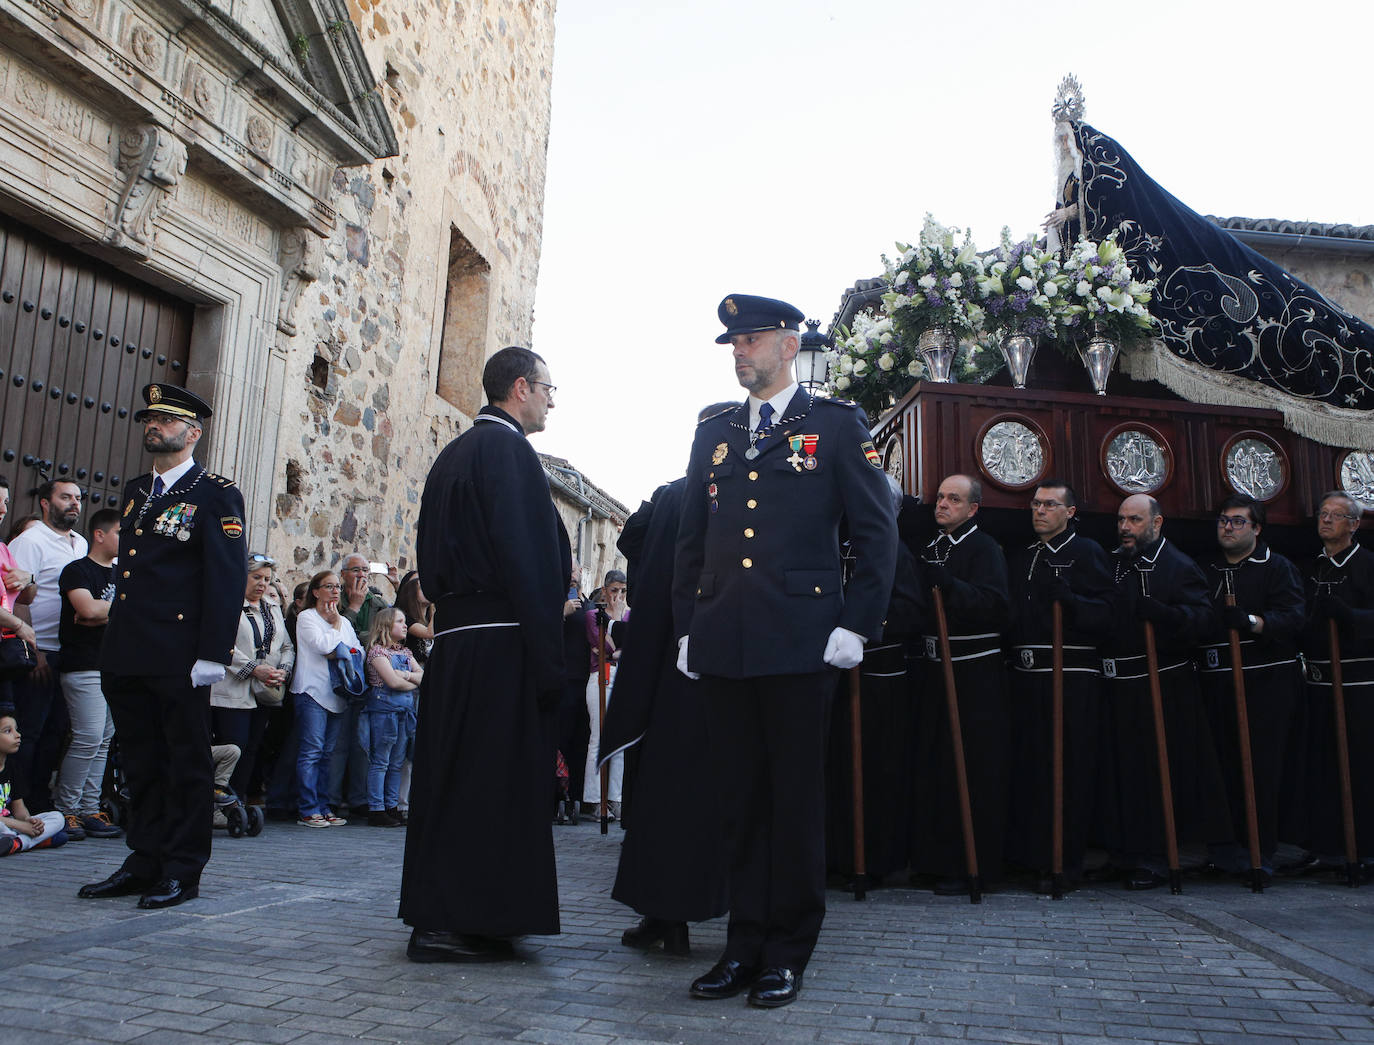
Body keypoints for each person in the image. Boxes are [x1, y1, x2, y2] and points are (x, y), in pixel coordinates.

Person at [673, 294, 896, 1007]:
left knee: (794, 804)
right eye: (734, 342)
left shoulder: (834, 425)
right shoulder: (714, 431)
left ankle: (787, 951)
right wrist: (686, 626)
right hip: (724, 641)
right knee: (739, 803)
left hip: (802, 643)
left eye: (752, 339)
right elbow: (690, 539)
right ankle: (743, 946)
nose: (740, 351)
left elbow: (877, 530)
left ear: (789, 346)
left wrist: (857, 623)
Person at [400, 345, 569, 962]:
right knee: (489, 783)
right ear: (521, 388)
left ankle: (457, 916)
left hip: (458, 645)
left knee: (455, 778)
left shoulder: (453, 454)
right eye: (548, 389)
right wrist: (548, 663)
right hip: (502, 646)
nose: (552, 402)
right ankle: (456, 922)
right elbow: (531, 564)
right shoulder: (510, 453)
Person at [79, 383, 248, 910]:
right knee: (141, 761)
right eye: (149, 419)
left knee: (185, 763)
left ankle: (181, 868)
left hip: (178, 653)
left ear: (193, 433)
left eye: (166, 420)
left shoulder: (215, 494)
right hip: (129, 649)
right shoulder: (137, 490)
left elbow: (226, 578)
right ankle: (144, 858)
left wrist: (213, 654)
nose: (153, 426)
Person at [600, 404, 739, 957]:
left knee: (664, 793)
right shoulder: (716, 494)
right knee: (696, 794)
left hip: (672, 666)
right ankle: (673, 916)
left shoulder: (672, 496)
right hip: (716, 667)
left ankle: (664, 915)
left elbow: (637, 562)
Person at [1092, 494, 1230, 890]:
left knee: (1153, 772)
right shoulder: (1113, 562)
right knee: (1116, 771)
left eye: (1134, 520)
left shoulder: (1178, 565)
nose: (1125, 528)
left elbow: (1204, 620)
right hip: (1115, 683)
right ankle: (1121, 852)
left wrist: (1168, 615)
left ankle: (1155, 857)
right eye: (1121, 520)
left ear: (1157, 523)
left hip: (1160, 684)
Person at [1003, 480, 1114, 890]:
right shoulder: (1023, 557)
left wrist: (1072, 602)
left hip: (1070, 677)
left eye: (1050, 505)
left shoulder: (1087, 552)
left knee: (1067, 769)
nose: (1040, 511)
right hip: (1026, 676)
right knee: (1030, 768)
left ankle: (1064, 863)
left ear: (1070, 513)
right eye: (1035, 504)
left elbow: (1108, 612)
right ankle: (1031, 857)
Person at [909, 474, 1012, 894]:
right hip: (933, 670)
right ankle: (934, 859)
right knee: (934, 766)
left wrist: (952, 587)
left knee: (972, 769)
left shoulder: (984, 548)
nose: (942, 504)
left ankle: (973, 866)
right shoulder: (930, 547)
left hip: (973, 675)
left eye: (954, 499)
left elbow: (996, 605)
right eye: (940, 497)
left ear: (973, 509)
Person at [1195, 495, 1305, 879]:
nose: (1228, 527)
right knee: (1221, 767)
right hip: (1216, 681)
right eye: (1224, 521)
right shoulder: (1206, 569)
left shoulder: (1277, 567)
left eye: (1238, 521)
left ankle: (1262, 851)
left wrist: (1252, 622)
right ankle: (1224, 851)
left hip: (1265, 683)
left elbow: (1293, 618)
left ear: (1256, 528)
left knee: (1261, 769)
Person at [1296, 492, 1374, 868]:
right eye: (1322, 513)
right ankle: (1327, 847)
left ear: (1354, 524)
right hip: (1318, 682)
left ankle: (1365, 849)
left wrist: (1348, 615)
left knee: (1360, 765)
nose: (1326, 520)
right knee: (1322, 765)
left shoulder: (1368, 565)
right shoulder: (1311, 568)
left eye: (1336, 515)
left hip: (1359, 685)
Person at [7, 479, 86, 812]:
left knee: (57, 732)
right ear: (45, 502)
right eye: (65, 497)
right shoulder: (31, 540)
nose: (74, 503)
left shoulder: (81, 542)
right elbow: (18, 596)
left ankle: (41, 798)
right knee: (29, 732)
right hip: (38, 652)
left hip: (69, 651)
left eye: (78, 498)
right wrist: (34, 649)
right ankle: (19, 801)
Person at [53, 508, 124, 841]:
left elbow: (104, 613)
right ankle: (66, 809)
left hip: (114, 666)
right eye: (120, 532)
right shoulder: (77, 570)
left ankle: (89, 809)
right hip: (84, 665)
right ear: (99, 534)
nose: (126, 540)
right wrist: (113, 611)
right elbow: (87, 609)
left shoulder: (125, 575)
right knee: (88, 737)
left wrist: (102, 614)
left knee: (103, 740)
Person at [210, 553, 294, 807]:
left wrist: (282, 671)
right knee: (234, 745)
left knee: (252, 749)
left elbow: (286, 646)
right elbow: (220, 643)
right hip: (231, 690)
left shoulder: (272, 608)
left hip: (264, 690)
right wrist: (254, 669)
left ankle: (237, 801)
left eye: (267, 579)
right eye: (256, 577)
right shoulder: (227, 604)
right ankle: (217, 800)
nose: (262, 584)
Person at [328, 553, 393, 818]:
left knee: (362, 743)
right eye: (356, 570)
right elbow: (336, 638)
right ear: (343, 574)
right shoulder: (335, 600)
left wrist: (361, 638)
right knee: (338, 743)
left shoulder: (378, 603)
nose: (362, 575)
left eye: (365, 570)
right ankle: (331, 798)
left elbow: (384, 638)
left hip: (369, 680)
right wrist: (353, 609)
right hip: (339, 680)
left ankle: (359, 799)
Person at [292, 570, 358, 828]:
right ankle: (308, 809)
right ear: (316, 591)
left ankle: (323, 805)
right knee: (312, 752)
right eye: (328, 586)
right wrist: (335, 630)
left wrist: (337, 636)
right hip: (312, 691)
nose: (334, 591)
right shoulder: (307, 617)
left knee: (327, 754)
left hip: (337, 694)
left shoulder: (344, 621)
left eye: (337, 587)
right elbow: (323, 647)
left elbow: (356, 651)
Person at [361, 607, 421, 827]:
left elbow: (424, 677)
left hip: (404, 712)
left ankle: (391, 805)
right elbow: (392, 682)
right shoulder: (377, 652)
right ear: (386, 625)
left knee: (397, 762)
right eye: (399, 621)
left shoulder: (405, 652)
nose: (405, 626)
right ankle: (376, 808)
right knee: (381, 761)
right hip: (384, 712)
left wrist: (405, 674)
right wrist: (413, 682)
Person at [583, 569, 627, 819]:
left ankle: (615, 798)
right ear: (605, 591)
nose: (618, 596)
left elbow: (628, 645)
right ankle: (594, 798)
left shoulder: (629, 615)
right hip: (600, 676)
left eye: (623, 591)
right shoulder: (594, 615)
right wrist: (616, 629)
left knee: (620, 740)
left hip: (622, 677)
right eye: (614, 591)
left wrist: (615, 644)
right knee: (598, 737)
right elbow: (604, 646)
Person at [0, 713, 68, 855]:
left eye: (16, 729)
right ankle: (31, 841)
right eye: (8, 731)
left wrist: (29, 820)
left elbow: (19, 808)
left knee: (58, 818)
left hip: (10, 825)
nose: (17, 735)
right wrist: (21, 826)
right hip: (5, 826)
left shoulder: (12, 766)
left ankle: (17, 843)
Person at [557, 564, 592, 823]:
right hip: (563, 681)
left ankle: (577, 797)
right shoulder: (556, 603)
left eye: (575, 571)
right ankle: (557, 796)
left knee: (582, 741)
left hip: (586, 682)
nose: (572, 576)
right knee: (561, 740)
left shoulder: (589, 606)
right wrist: (561, 612)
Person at [0, 475, 38, 712]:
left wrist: (29, 578)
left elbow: (26, 598)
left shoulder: (2, 549)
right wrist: (19, 625)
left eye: (5, 502)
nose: (3, 510)